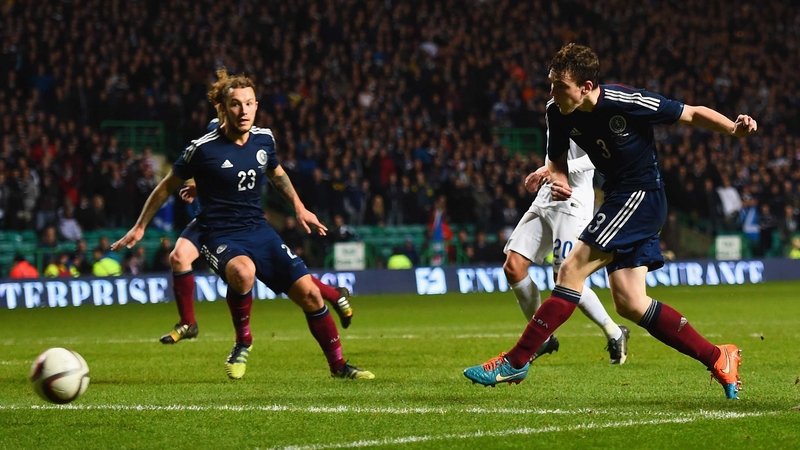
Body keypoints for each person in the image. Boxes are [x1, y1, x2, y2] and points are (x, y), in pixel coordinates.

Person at [464, 44, 757, 400]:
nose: (553, 93)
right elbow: (556, 162)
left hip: (642, 195)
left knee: (570, 270)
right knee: (631, 302)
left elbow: (691, 113)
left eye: (561, 86)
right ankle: (718, 356)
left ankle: (516, 360)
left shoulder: (627, 101)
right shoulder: (557, 111)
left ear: (586, 86)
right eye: (551, 84)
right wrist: (558, 180)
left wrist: (733, 129)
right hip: (620, 195)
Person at [113, 69, 372, 381]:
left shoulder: (264, 139)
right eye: (236, 104)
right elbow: (166, 186)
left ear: (257, 105)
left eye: (249, 103)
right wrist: (141, 226)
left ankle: (339, 367)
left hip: (259, 230)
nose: (244, 110)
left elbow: (276, 174)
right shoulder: (201, 148)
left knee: (311, 296)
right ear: (223, 108)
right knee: (243, 272)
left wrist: (300, 208)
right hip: (218, 232)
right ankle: (242, 342)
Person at [157, 122, 354, 347]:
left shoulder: (246, 145)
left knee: (282, 272)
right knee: (178, 257)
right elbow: (217, 174)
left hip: (238, 224)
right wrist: (198, 187)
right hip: (209, 222)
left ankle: (332, 294)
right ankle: (187, 323)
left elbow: (233, 176)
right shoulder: (206, 149)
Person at [503, 140, 630, 365]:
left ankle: (614, 331)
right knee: (513, 267)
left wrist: (554, 170)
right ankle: (543, 337)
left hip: (572, 201)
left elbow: (597, 157)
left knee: (565, 279)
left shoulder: (591, 110)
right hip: (545, 197)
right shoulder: (553, 107)